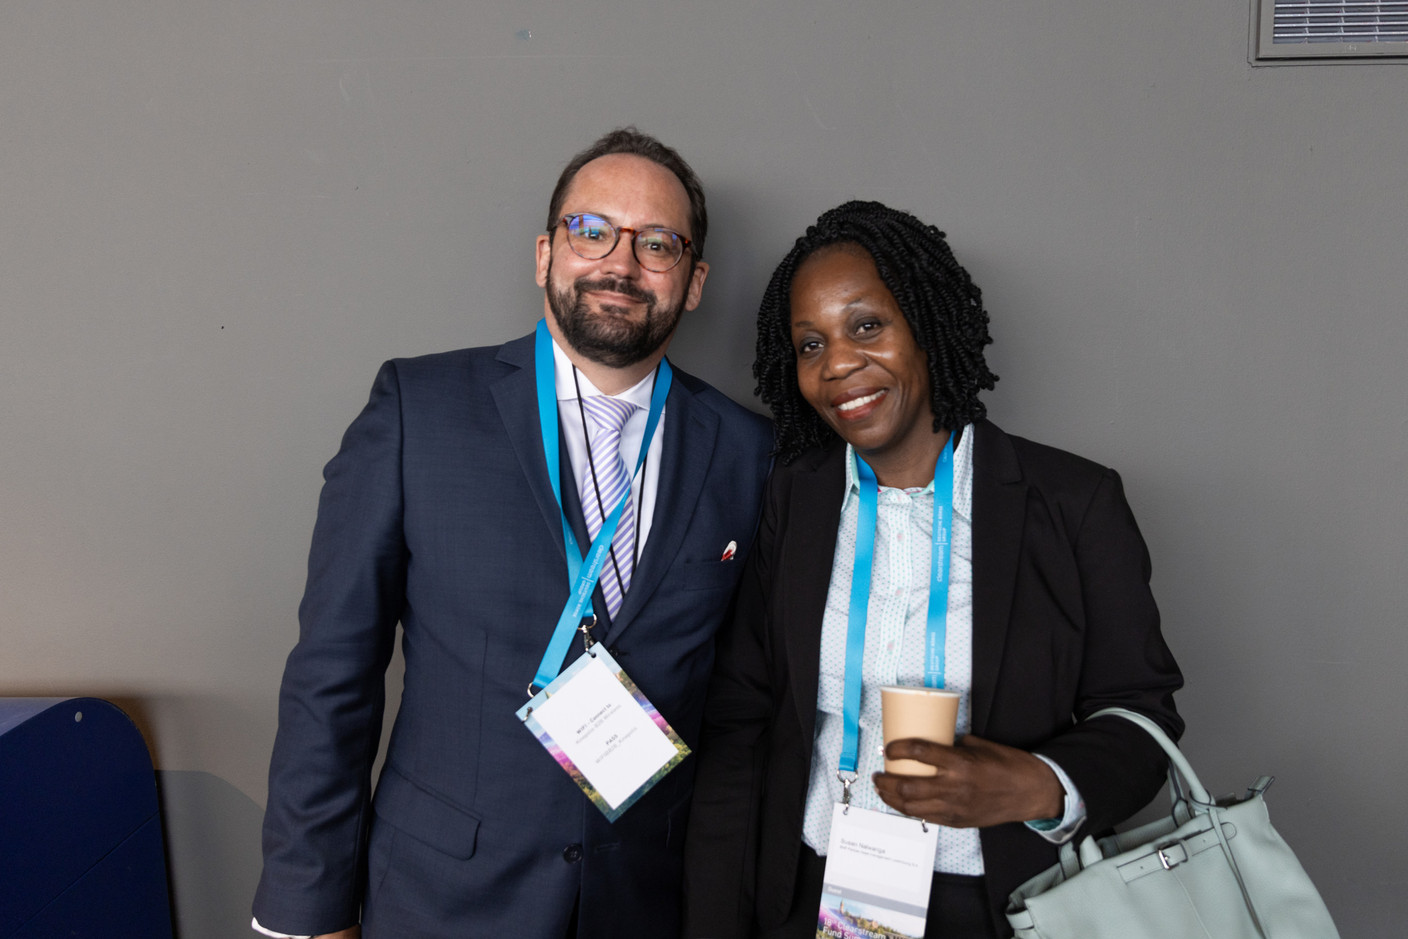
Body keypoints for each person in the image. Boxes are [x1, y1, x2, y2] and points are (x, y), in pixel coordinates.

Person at [252, 128, 773, 939]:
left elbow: (745, 708)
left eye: (657, 244)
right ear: (544, 254)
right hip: (441, 899)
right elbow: (332, 674)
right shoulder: (416, 411)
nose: (620, 263)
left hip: (647, 904)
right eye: (590, 230)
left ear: (695, 280)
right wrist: (305, 910)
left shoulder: (749, 452)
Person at [682, 200, 1183, 938]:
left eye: (867, 326)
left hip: (1002, 903)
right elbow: (742, 720)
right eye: (810, 344)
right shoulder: (794, 499)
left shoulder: (1073, 501)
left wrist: (1038, 784)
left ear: (926, 323)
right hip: (810, 889)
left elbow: (1144, 716)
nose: (839, 364)